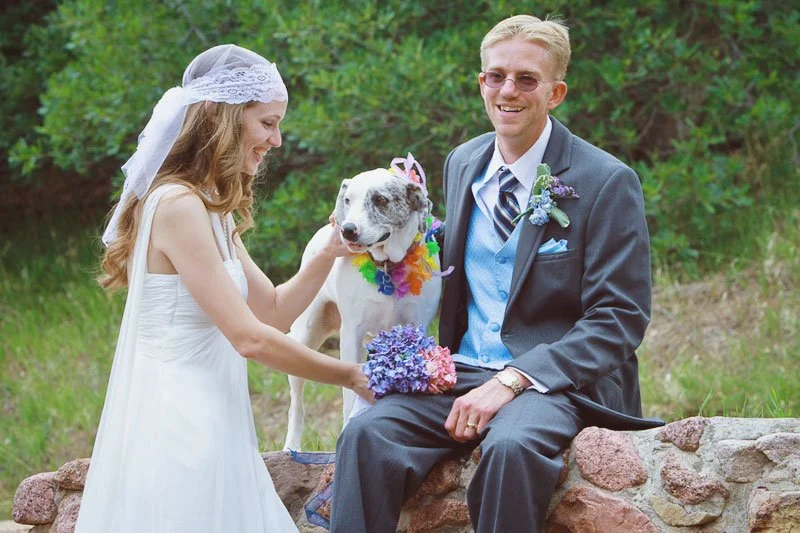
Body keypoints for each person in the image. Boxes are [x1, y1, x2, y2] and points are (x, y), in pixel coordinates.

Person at [331, 14, 661, 533]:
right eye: (495, 76)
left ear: (555, 93)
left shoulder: (606, 181)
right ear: (481, 83)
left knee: (511, 447)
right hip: (461, 370)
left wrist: (513, 379)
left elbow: (619, 319)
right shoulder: (463, 163)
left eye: (526, 79)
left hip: (558, 383)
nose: (508, 90)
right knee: (367, 434)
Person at [75, 44, 372, 533]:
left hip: (220, 418)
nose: (276, 140)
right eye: (267, 123)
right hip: (178, 426)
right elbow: (248, 338)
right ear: (221, 117)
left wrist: (325, 254)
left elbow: (272, 312)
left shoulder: (213, 205)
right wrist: (351, 375)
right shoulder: (177, 206)